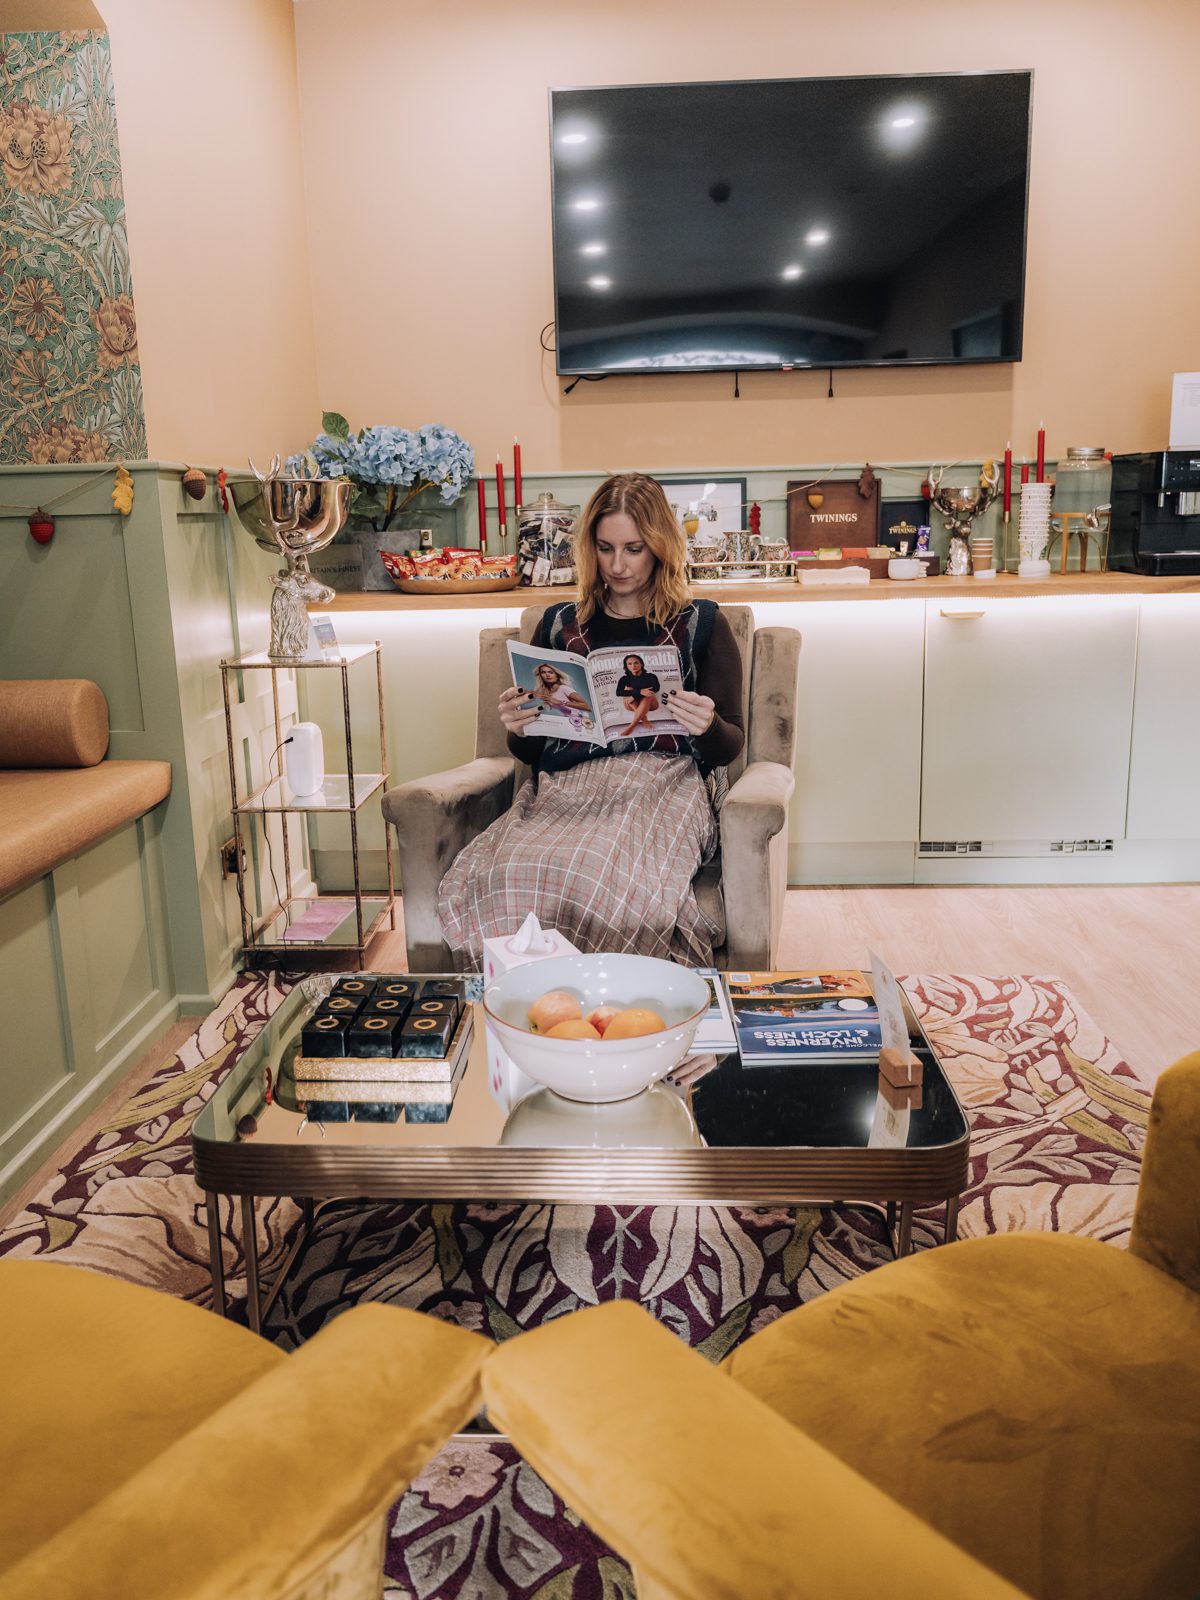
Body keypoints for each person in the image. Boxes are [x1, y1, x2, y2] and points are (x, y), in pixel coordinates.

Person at [437, 472, 745, 969]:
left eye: (633, 549)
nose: (618, 565)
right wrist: (520, 727)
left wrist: (707, 725)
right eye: (605, 548)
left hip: (663, 784)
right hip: (569, 787)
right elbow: (532, 752)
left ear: (660, 547)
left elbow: (729, 745)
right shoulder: (559, 624)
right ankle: (530, 1003)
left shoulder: (701, 622)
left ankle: (616, 1002)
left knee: (598, 869)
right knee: (507, 872)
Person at [614, 653, 661, 736]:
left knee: (649, 694)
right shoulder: (624, 679)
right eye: (630, 664)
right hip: (632, 706)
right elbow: (619, 692)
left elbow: (656, 688)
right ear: (626, 666)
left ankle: (632, 726)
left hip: (650, 705)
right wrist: (639, 692)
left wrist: (635, 695)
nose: (633, 666)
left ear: (641, 664)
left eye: (636, 663)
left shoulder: (651, 676)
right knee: (628, 689)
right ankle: (644, 719)